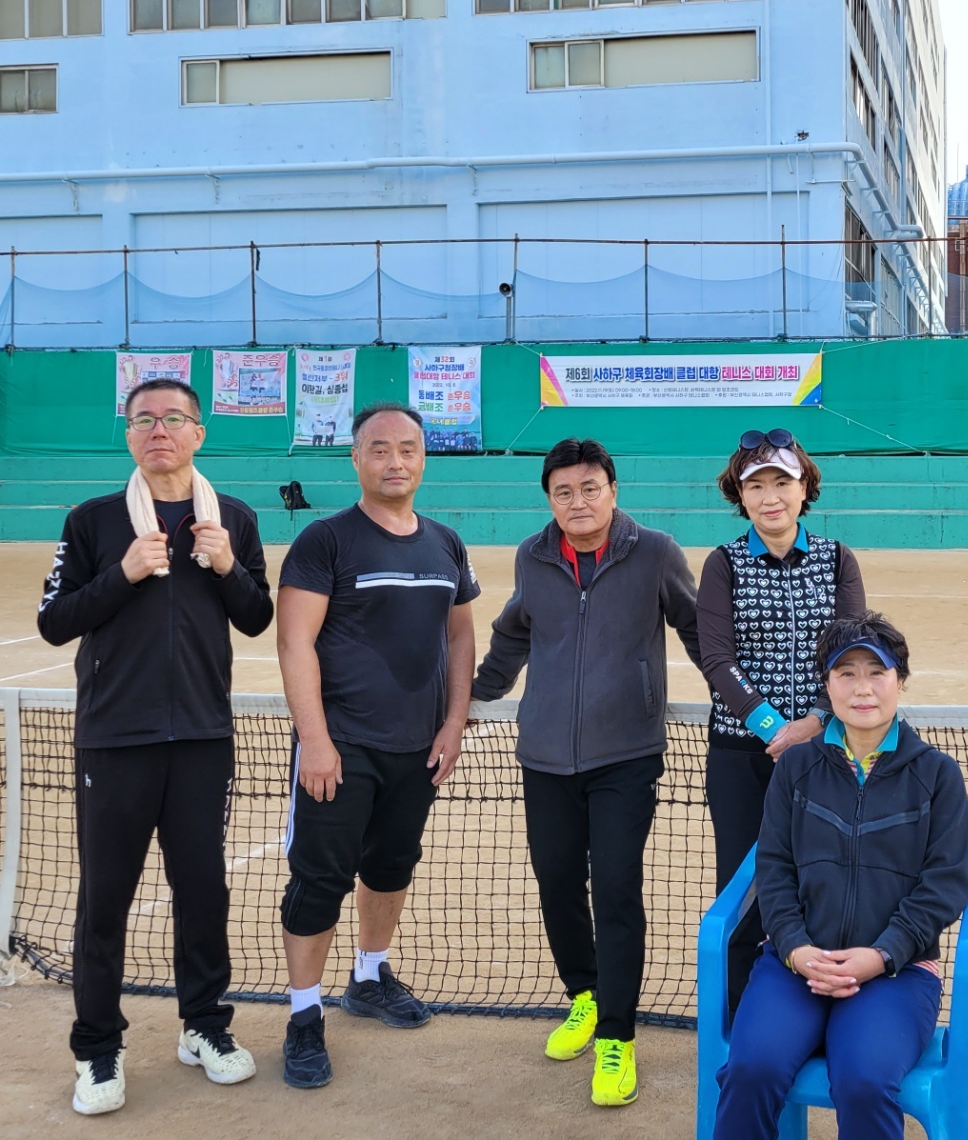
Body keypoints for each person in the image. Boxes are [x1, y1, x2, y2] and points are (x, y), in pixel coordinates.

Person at [37, 378, 274, 1116]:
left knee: (203, 893)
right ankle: (97, 1048)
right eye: (143, 419)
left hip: (202, 737)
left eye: (173, 418)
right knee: (104, 901)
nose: (158, 430)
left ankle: (204, 1026)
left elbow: (258, 616)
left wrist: (227, 565)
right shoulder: (93, 520)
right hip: (115, 739)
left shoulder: (233, 518)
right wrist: (125, 573)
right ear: (129, 434)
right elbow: (55, 621)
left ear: (199, 432)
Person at [471, 436, 701, 1108]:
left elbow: (697, 630)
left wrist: (745, 703)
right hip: (544, 756)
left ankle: (617, 1035)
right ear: (550, 499)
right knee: (557, 883)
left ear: (612, 490)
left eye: (589, 488)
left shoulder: (655, 552)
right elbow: (514, 631)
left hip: (626, 755)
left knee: (618, 891)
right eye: (563, 492)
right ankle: (585, 995)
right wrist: (473, 696)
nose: (578, 502)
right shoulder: (533, 555)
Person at [275, 401, 479, 1090]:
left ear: (424, 458)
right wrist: (316, 740)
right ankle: (304, 1015)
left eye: (408, 449)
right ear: (356, 459)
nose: (396, 461)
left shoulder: (446, 543)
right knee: (319, 881)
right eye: (380, 449)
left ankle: (368, 977)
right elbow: (295, 642)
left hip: (416, 750)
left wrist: (452, 723)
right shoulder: (325, 541)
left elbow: (460, 636)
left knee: (391, 868)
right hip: (340, 749)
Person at [713, 612, 968, 1140]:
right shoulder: (795, 767)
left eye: (877, 673)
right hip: (795, 964)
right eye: (846, 673)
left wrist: (881, 955)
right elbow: (774, 868)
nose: (862, 688)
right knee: (752, 1068)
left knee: (865, 1081)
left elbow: (945, 885)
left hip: (898, 973)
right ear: (827, 685)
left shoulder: (938, 774)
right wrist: (795, 949)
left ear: (900, 680)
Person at [696, 428, 865, 1008]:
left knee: (823, 882)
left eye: (782, 482)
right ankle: (741, 1016)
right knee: (744, 889)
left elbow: (850, 653)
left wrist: (813, 723)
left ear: (804, 488)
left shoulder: (838, 559)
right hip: (742, 756)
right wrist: (775, 729)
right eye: (756, 486)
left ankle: (815, 1007)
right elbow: (718, 659)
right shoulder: (722, 564)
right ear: (739, 496)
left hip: (825, 751)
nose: (770, 497)